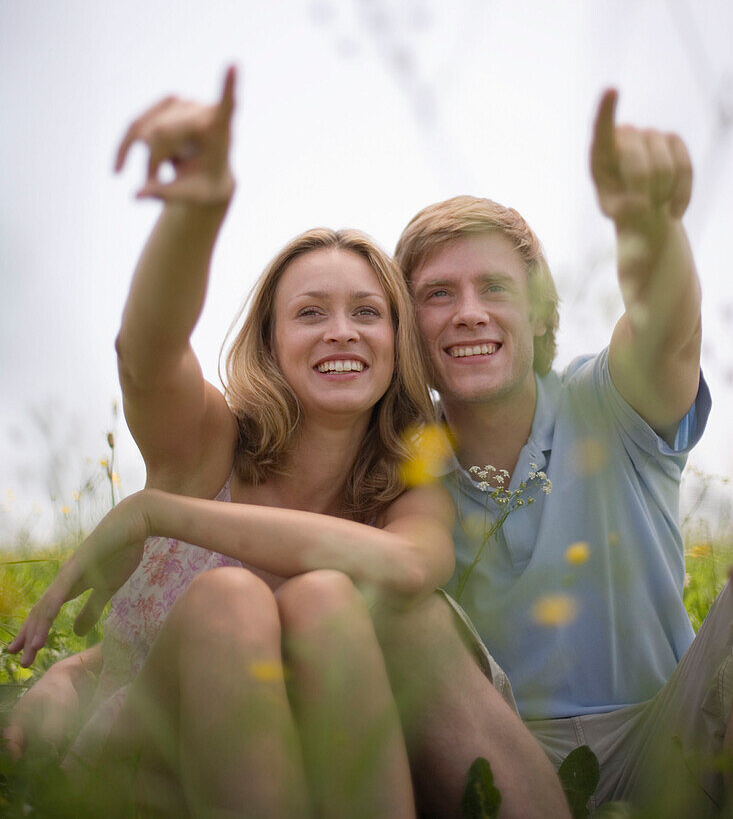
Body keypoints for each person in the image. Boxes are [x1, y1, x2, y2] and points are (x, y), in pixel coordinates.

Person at [5, 69, 571, 819]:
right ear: (269, 341)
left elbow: (409, 564)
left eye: (367, 311)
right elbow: (147, 351)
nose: (341, 330)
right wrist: (197, 212)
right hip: (152, 769)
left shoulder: (404, 482)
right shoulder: (206, 445)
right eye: (310, 312)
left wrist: (158, 516)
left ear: (397, 341)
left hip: (332, 774)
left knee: (329, 595)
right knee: (230, 599)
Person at [394, 88, 732, 815]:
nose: (469, 313)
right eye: (436, 294)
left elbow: (666, 324)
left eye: (493, 287)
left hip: (668, 738)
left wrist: (648, 228)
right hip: (494, 761)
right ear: (405, 324)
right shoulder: (397, 470)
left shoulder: (605, 400)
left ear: (542, 310)